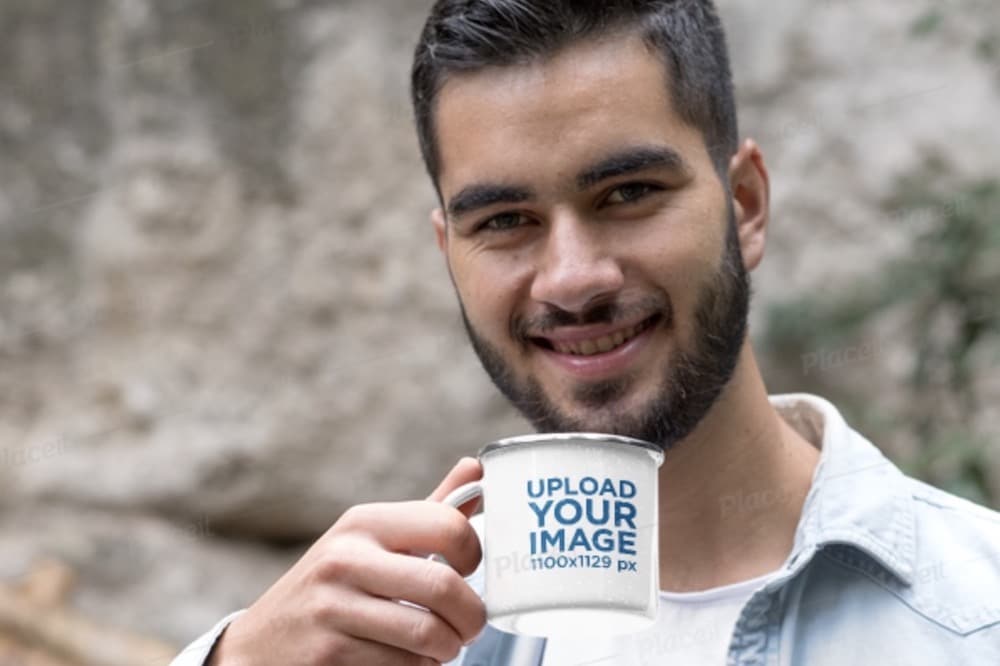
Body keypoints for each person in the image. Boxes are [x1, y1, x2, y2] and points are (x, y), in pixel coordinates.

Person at [172, 1, 1000, 664]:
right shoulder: (385, 638)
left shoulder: (976, 616)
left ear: (744, 203)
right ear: (448, 251)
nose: (572, 278)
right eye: (505, 220)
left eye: (629, 193)